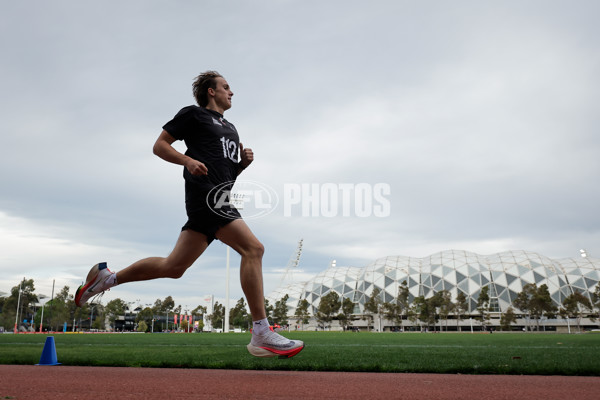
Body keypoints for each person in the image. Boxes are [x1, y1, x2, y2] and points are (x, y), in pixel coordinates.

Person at [75, 71, 304, 359]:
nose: (231, 92)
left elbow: (226, 173)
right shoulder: (193, 115)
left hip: (218, 196)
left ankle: (107, 279)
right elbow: (160, 145)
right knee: (254, 249)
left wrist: (242, 166)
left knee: (174, 267)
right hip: (206, 196)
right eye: (226, 87)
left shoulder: (231, 128)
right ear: (211, 91)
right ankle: (261, 332)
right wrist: (186, 160)